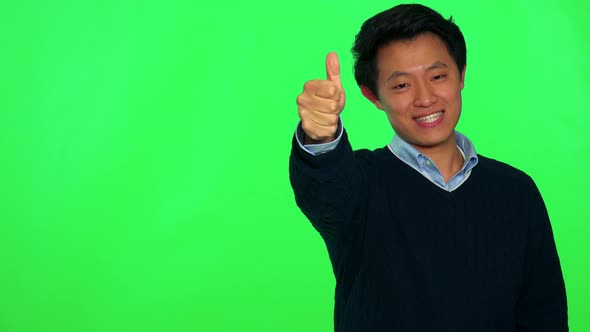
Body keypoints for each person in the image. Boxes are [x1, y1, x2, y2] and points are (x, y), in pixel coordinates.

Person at [289, 4, 567, 332]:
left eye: (437, 76)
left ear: (461, 74)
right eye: (402, 85)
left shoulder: (516, 190)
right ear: (373, 95)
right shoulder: (360, 183)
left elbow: (543, 313)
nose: (425, 98)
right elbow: (326, 192)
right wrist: (321, 136)